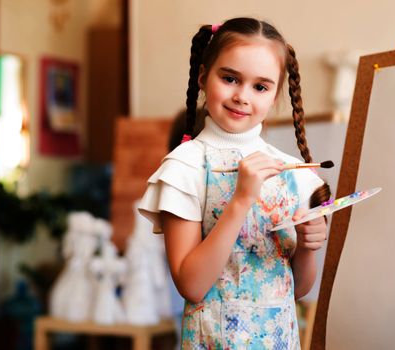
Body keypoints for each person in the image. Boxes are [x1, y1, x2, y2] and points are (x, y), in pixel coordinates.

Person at [138, 17, 330, 349]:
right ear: (202, 78)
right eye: (230, 79)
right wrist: (240, 200)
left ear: (274, 96)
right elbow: (192, 286)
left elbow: (296, 289)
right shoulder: (184, 168)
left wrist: (307, 247)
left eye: (260, 86)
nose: (242, 96)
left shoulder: (293, 172)